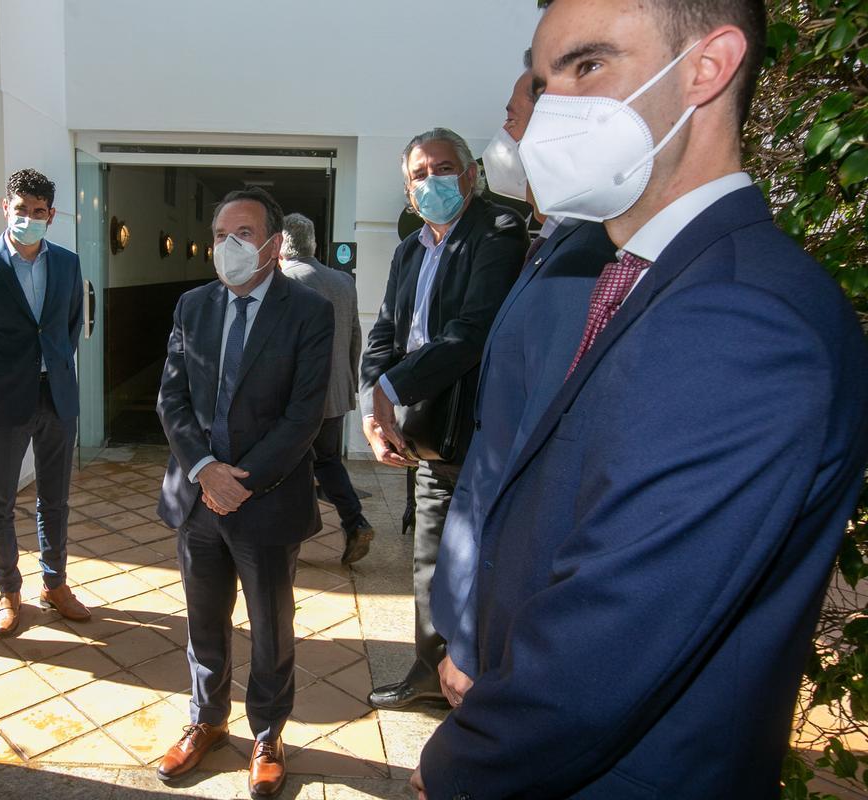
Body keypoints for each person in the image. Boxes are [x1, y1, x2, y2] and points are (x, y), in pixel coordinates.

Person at [414, 1, 868, 798]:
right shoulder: (649, 273)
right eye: (544, 84)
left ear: (707, 68)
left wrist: (460, 766)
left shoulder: (741, 317)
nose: (550, 113)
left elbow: (613, 630)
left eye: (588, 66)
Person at [428, 66, 614, 691]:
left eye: (511, 117)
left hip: (504, 614)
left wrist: (474, 640)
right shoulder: (556, 242)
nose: (502, 135)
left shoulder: (588, 260)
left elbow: (535, 462)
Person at [155, 188, 334, 798]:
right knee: (203, 619)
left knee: (270, 626)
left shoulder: (308, 311)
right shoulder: (192, 306)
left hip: (267, 498)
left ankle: (267, 733)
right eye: (220, 235)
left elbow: (304, 415)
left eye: (244, 234)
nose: (228, 246)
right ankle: (206, 720)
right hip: (197, 499)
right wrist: (206, 470)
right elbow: (171, 398)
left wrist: (242, 483)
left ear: (273, 244)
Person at [359, 128, 526, 710]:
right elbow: (385, 331)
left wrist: (392, 387)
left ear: (471, 175)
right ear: (408, 191)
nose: (432, 181)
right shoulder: (409, 249)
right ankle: (429, 672)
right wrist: (373, 404)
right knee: (430, 556)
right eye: (419, 174)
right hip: (422, 425)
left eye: (444, 168)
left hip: (479, 426)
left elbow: (472, 331)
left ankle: (481, 680)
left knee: (481, 560)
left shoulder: (498, 230)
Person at [0, 168, 88, 637]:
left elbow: (69, 325)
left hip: (57, 396)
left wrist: (55, 369)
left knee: (55, 499)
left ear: (51, 215)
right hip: (4, 399)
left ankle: (55, 584)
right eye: (21, 208)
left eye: (38, 211)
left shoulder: (67, 263)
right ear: (5, 207)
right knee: (0, 501)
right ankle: (8, 591)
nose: (29, 217)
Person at [278, 212, 374, 564]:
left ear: (278, 245)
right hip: (335, 391)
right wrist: (347, 380)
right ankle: (355, 521)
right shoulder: (342, 281)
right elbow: (355, 336)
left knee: (287, 466)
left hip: (295, 397)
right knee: (328, 461)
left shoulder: (283, 282)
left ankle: (291, 537)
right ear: (314, 244)